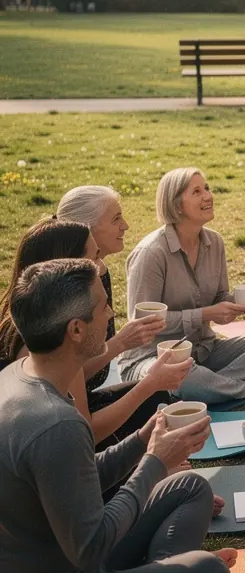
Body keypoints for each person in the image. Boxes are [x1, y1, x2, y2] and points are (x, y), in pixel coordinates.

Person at [0, 258, 236, 573]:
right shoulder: (54, 422)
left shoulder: (20, 374)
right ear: (76, 329)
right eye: (102, 305)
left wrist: (145, 439)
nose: (111, 313)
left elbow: (78, 479)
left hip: (67, 568)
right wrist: (155, 462)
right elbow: (91, 548)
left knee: (189, 486)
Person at [0, 219, 188, 448]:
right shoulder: (41, 341)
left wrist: (120, 343)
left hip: (64, 435)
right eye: (94, 258)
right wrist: (148, 384)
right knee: (149, 400)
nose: (101, 267)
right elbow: (85, 433)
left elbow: (72, 376)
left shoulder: (34, 317)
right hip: (63, 452)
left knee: (153, 400)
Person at [123, 167, 245, 404]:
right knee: (185, 377)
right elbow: (143, 326)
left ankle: (210, 385)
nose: (208, 196)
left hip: (203, 351)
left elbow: (218, 298)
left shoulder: (214, 242)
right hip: (153, 358)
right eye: (196, 191)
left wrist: (235, 303)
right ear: (177, 205)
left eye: (206, 188)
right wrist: (204, 314)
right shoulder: (151, 253)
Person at [57, 185, 177, 433]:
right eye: (116, 219)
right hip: (63, 420)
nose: (126, 225)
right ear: (85, 229)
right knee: (155, 404)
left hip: (84, 398)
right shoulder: (64, 294)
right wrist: (121, 343)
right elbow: (70, 376)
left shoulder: (99, 272)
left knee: (160, 401)